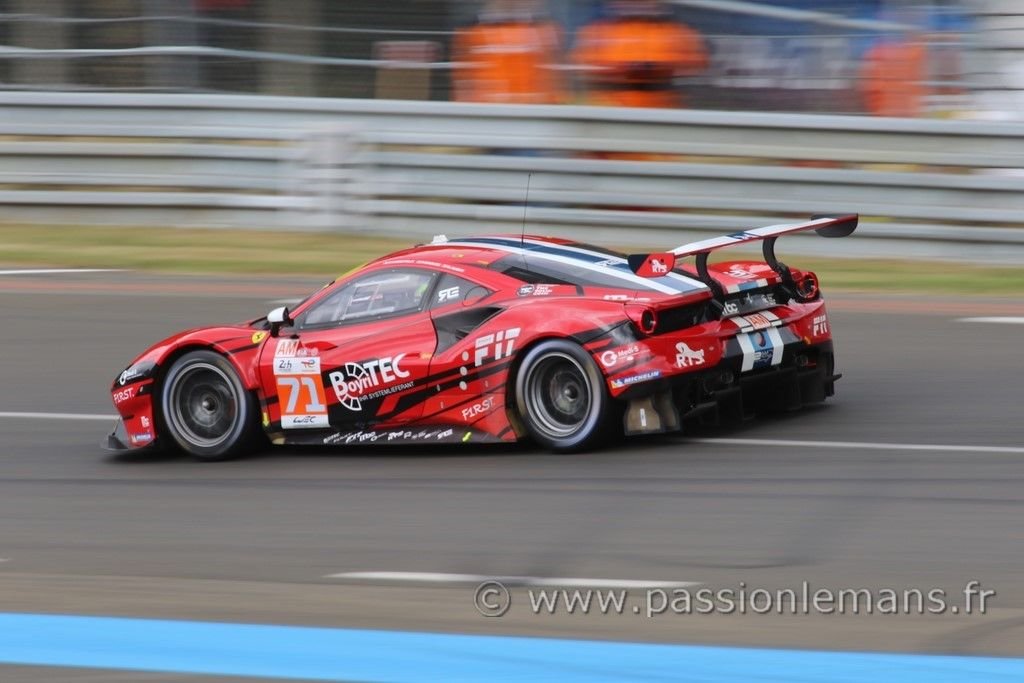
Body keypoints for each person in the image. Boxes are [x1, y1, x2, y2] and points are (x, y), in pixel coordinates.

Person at [571, 0, 707, 109]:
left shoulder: (678, 31)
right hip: (609, 111)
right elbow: (582, 66)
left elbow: (697, 64)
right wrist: (624, 69)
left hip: (664, 111)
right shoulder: (597, 31)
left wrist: (657, 68)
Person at [451, 0, 567, 105]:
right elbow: (465, 89)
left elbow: (555, 87)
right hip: (489, 114)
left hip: (534, 113)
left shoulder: (546, 32)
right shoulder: (473, 32)